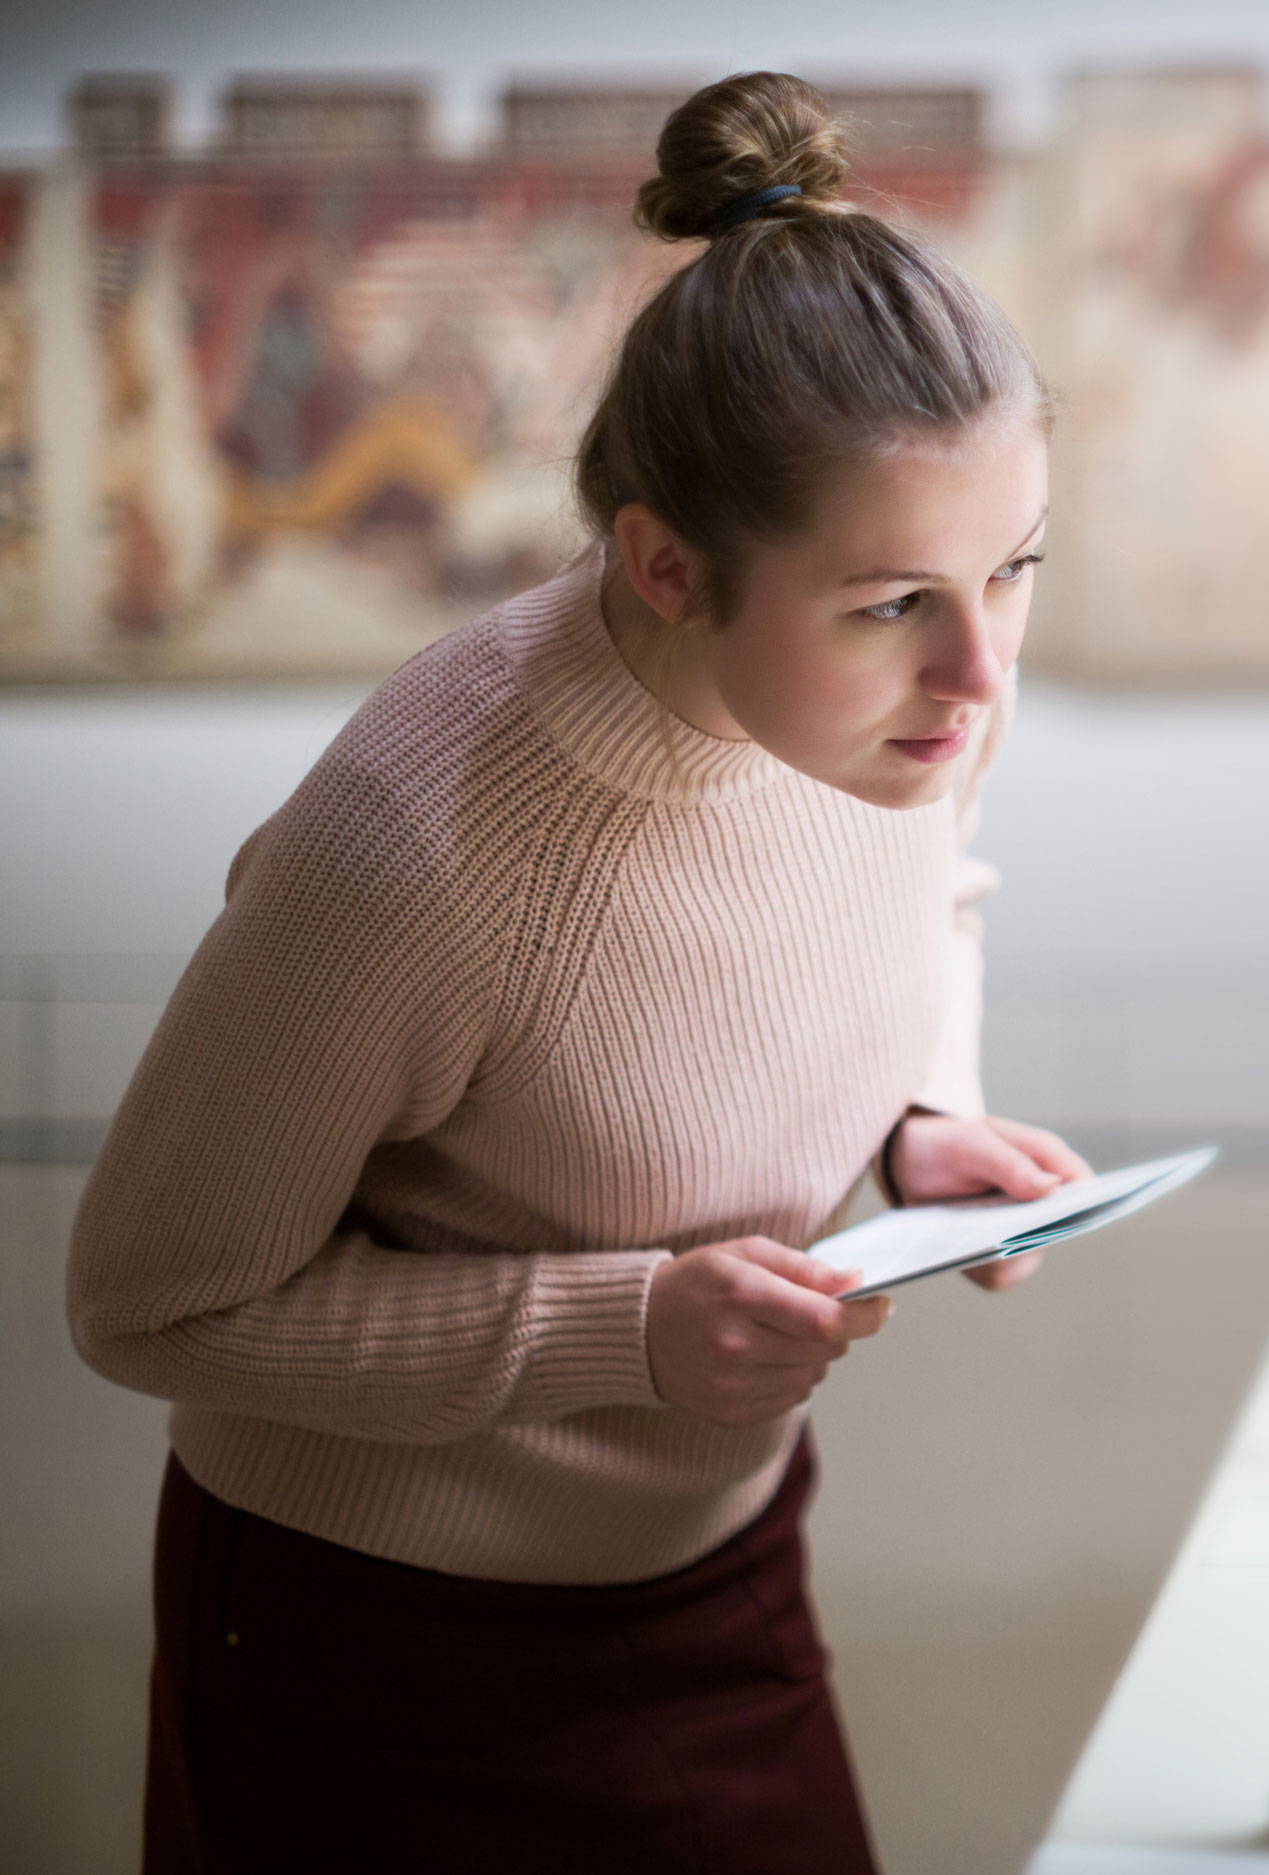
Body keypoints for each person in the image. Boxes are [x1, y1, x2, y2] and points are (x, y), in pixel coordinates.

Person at [64, 70, 1088, 1875]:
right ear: (667, 566)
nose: (981, 674)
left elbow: (933, 904)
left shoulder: (897, 727)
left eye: (1011, 571)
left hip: (725, 1562)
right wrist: (625, 1327)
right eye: (892, 602)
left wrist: (926, 1114)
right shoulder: (414, 849)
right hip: (373, 1643)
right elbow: (142, 1304)